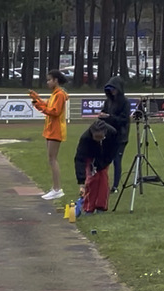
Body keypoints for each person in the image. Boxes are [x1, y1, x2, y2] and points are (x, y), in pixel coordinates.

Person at [29, 69, 69, 200]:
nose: (47, 82)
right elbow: (47, 105)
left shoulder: (60, 94)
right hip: (51, 129)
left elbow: (54, 111)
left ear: (56, 80)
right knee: (51, 159)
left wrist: (39, 106)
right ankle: (55, 188)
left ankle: (57, 189)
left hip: (56, 130)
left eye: (49, 80)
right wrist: (37, 100)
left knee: (53, 159)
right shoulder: (55, 94)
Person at [74, 118, 118, 213]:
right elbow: (79, 159)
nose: (98, 139)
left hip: (105, 156)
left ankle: (101, 206)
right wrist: (81, 182)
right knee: (92, 181)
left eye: (100, 137)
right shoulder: (85, 139)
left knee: (103, 180)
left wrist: (105, 162)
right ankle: (89, 207)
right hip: (90, 156)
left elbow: (113, 150)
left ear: (105, 133)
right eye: (96, 137)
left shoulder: (112, 133)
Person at [99, 76, 131, 193]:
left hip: (120, 136)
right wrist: (102, 116)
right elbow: (104, 114)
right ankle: (103, 184)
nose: (112, 91)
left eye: (114, 89)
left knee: (117, 160)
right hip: (108, 135)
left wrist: (109, 117)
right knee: (105, 159)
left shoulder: (125, 103)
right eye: (110, 89)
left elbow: (123, 120)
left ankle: (115, 186)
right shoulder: (108, 102)